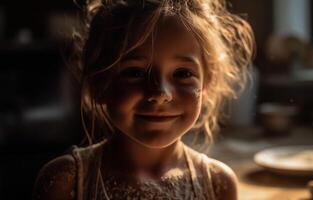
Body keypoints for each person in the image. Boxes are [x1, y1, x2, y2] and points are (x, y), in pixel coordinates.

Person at [33, 0, 254, 199]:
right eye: (135, 72)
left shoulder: (218, 185)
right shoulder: (66, 182)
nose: (160, 93)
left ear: (206, 86)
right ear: (99, 84)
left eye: (182, 74)